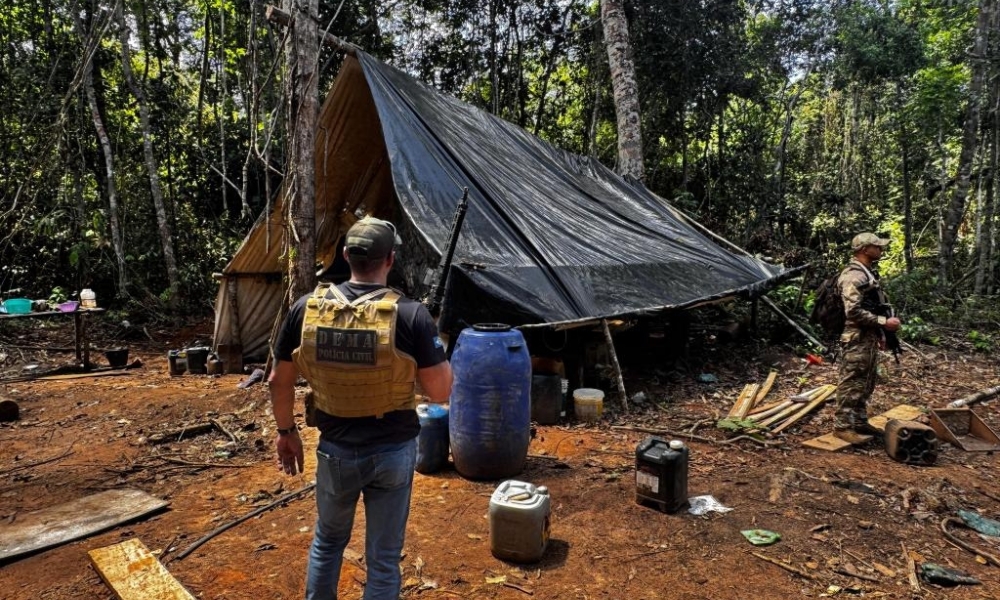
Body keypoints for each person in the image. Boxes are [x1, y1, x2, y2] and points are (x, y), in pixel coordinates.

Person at [269, 216, 453, 600]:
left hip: (335, 451)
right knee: (383, 559)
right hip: (392, 452)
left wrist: (286, 433)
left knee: (327, 542)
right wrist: (432, 345)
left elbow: (277, 381)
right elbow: (440, 392)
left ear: (344, 255)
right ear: (390, 260)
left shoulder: (305, 309)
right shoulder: (410, 314)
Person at [834, 232, 902, 443]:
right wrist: (883, 322)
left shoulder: (867, 273)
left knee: (866, 381)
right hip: (856, 337)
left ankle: (859, 421)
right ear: (865, 249)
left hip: (867, 336)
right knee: (852, 381)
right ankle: (842, 426)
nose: (881, 249)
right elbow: (852, 311)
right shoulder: (854, 276)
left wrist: (879, 332)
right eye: (877, 246)